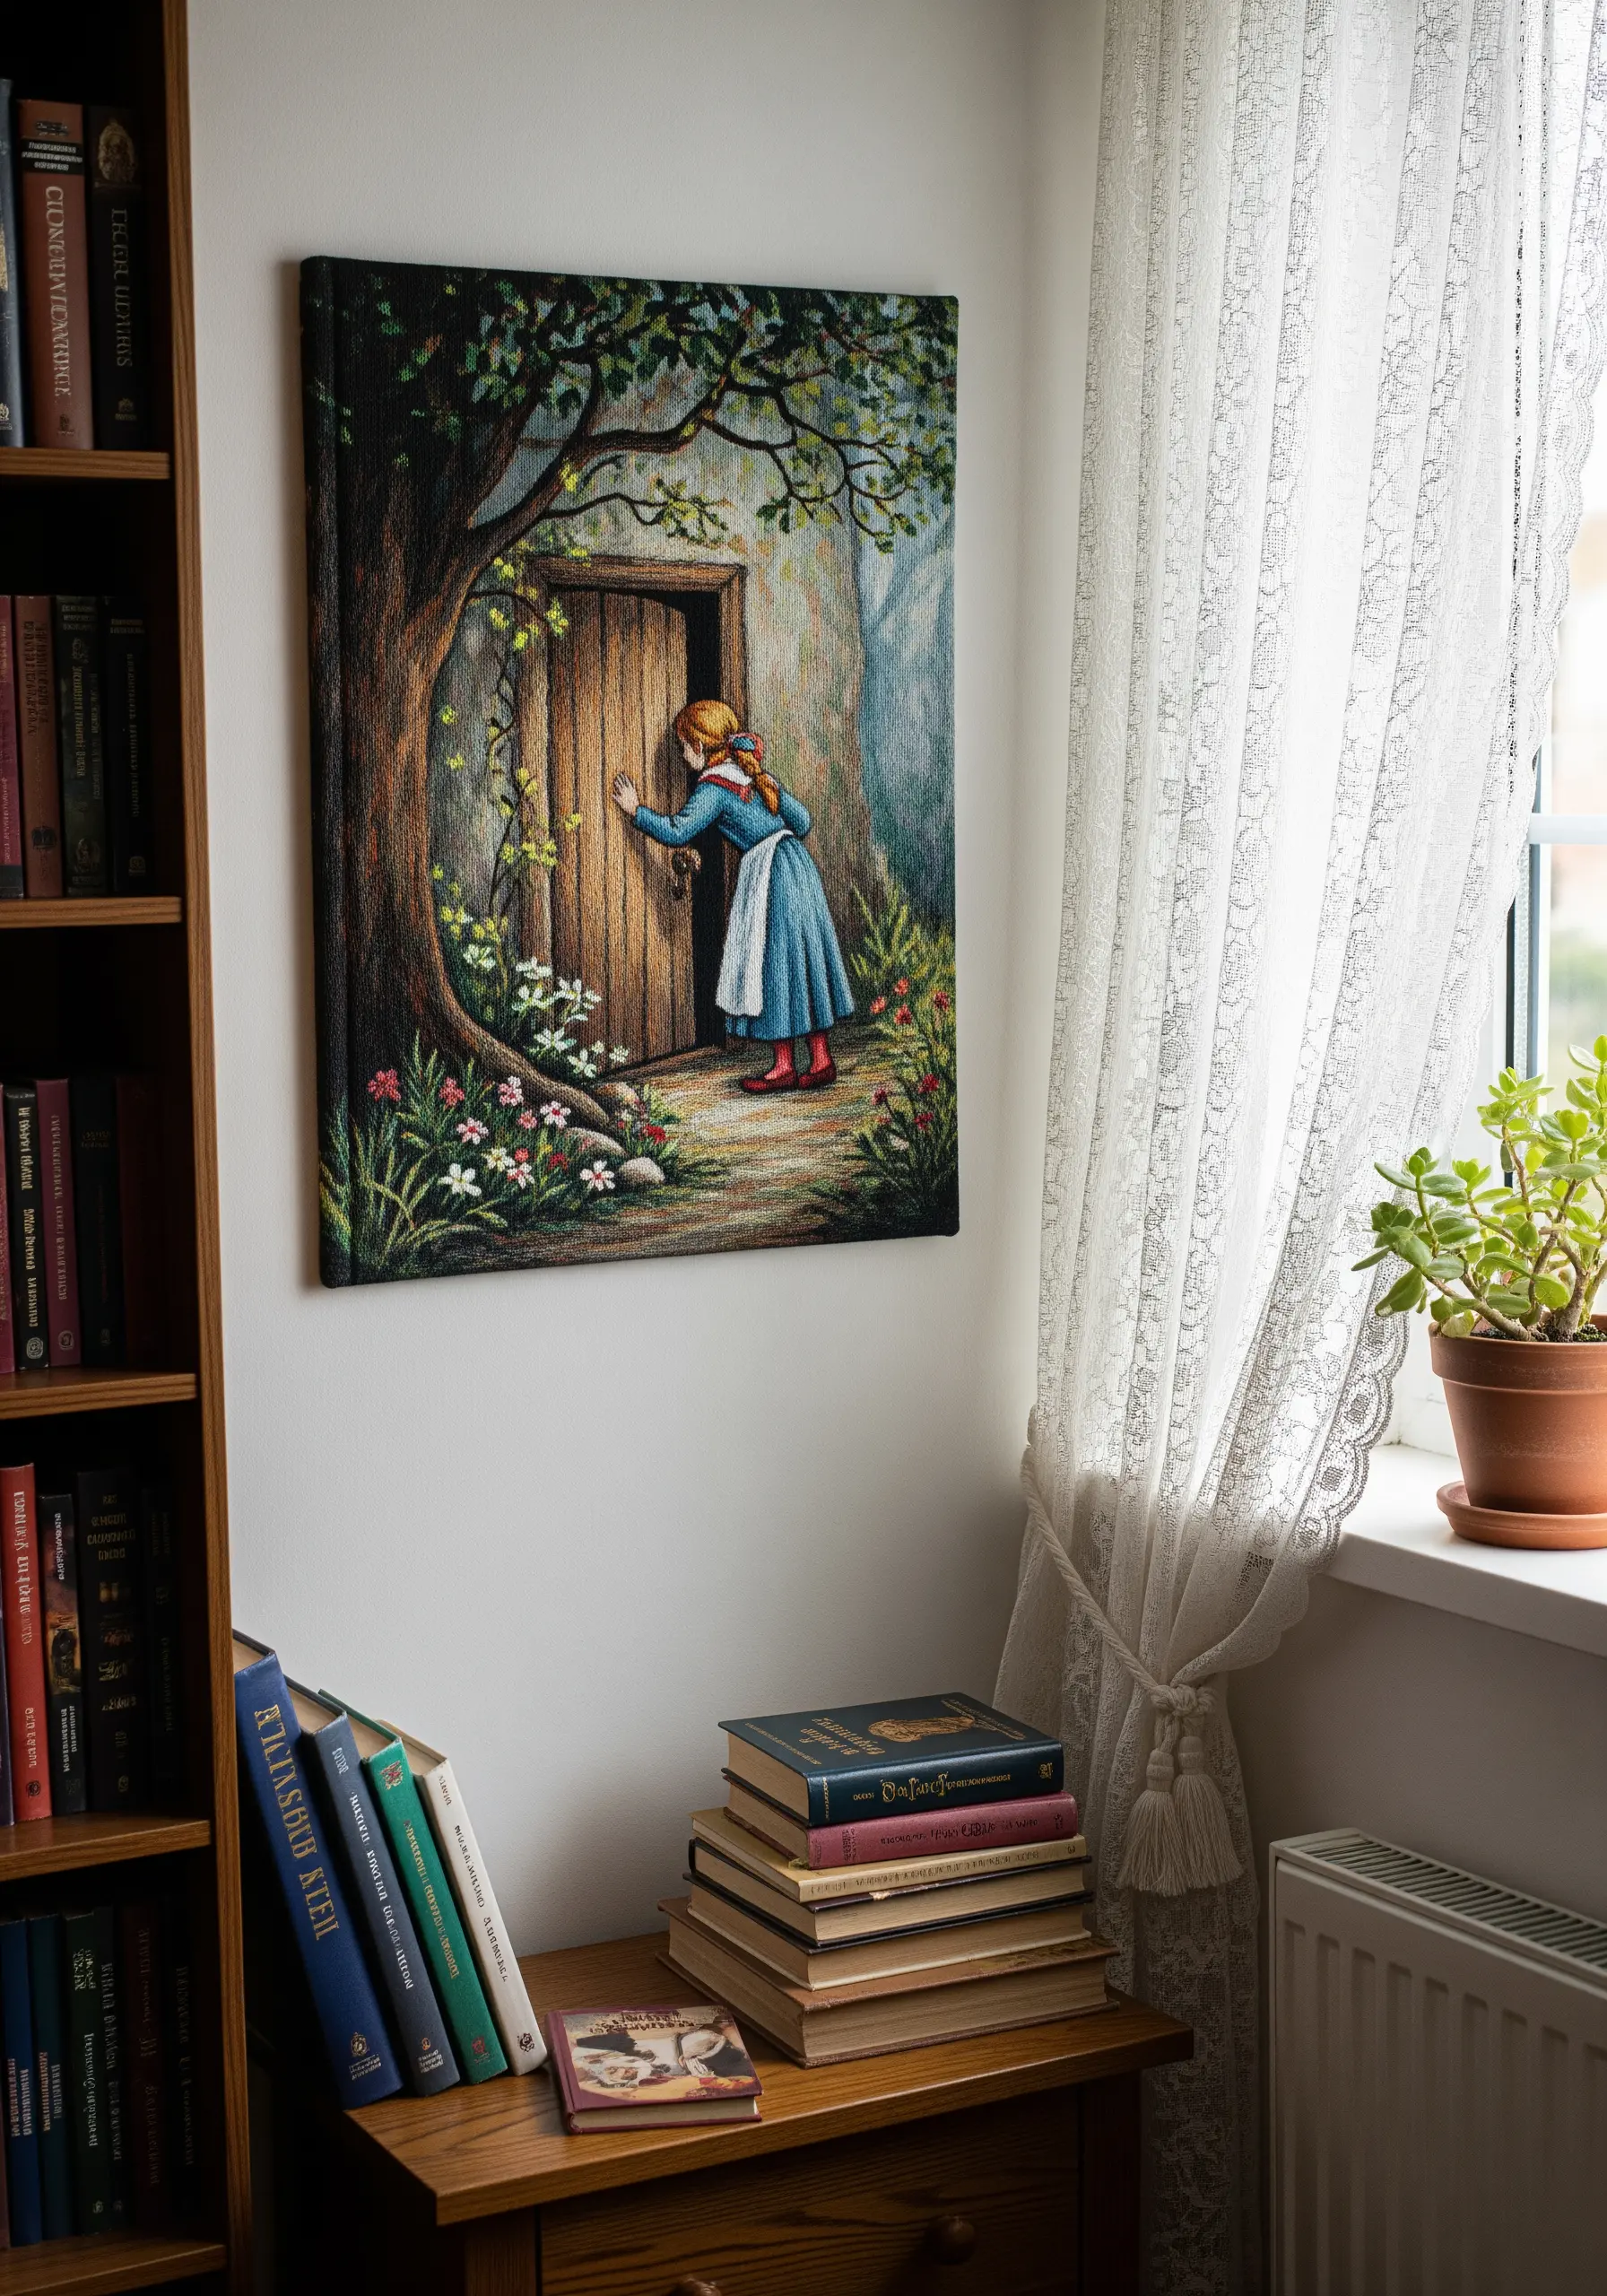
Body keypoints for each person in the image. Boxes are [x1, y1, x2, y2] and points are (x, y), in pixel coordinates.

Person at [612, 699, 855, 1091]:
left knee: (772, 963)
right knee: (802, 959)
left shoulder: (714, 786)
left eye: (683, 746)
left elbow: (678, 831)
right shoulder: (754, 774)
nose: (683, 754)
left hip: (770, 872)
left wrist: (637, 809)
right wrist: (773, 792)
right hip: (798, 866)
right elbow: (803, 821)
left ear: (700, 746)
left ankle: (783, 1067)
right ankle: (821, 1059)